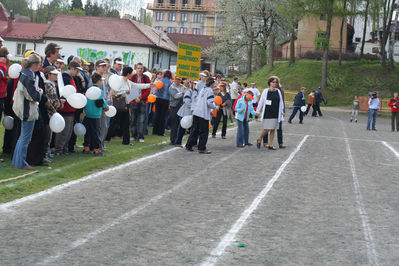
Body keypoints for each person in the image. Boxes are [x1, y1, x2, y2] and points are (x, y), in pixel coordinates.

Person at [11, 53, 43, 169]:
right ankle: (21, 163)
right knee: (25, 138)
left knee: (22, 137)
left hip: (24, 109)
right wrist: (40, 92)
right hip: (27, 110)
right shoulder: (28, 76)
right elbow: (33, 96)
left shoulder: (25, 74)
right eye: (39, 64)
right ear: (34, 64)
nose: (40, 66)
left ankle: (16, 161)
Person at [185, 77, 217, 154]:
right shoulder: (210, 91)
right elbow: (209, 103)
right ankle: (202, 147)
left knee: (194, 130)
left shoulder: (203, 89)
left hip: (196, 112)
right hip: (203, 113)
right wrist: (215, 107)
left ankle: (189, 145)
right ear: (212, 83)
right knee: (204, 131)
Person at [54, 61, 80, 155]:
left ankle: (64, 149)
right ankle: (59, 149)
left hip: (70, 108)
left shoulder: (70, 78)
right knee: (63, 132)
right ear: (72, 68)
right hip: (65, 108)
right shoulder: (65, 78)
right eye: (77, 70)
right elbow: (63, 93)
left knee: (68, 132)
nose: (78, 73)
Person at [83, 73, 109, 156]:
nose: (101, 82)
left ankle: (86, 147)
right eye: (101, 80)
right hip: (95, 114)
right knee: (96, 133)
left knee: (88, 132)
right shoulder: (99, 91)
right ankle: (96, 149)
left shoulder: (88, 90)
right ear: (98, 81)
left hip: (87, 114)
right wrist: (106, 106)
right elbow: (100, 102)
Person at [256, 77, 285, 150]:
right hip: (267, 112)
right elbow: (261, 101)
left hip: (276, 112)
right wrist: (257, 111)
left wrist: (282, 111)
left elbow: (281, 102)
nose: (274, 83)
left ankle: (271, 145)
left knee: (273, 129)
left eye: (276, 82)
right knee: (267, 129)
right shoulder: (265, 91)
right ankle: (259, 139)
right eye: (273, 82)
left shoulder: (278, 91)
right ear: (269, 83)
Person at [43, 66, 63, 161]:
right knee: (46, 135)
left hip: (51, 113)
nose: (56, 76)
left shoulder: (51, 85)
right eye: (54, 74)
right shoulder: (48, 85)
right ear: (48, 75)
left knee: (49, 134)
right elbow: (50, 101)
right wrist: (58, 103)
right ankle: (44, 153)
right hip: (48, 113)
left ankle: (46, 152)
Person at [108, 66, 133, 145]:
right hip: (119, 105)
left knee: (125, 123)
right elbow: (115, 92)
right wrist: (124, 91)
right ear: (128, 73)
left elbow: (136, 86)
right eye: (131, 73)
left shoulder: (128, 82)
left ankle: (126, 141)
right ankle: (107, 137)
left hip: (125, 105)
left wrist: (149, 85)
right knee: (115, 123)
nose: (132, 74)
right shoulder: (119, 80)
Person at [129, 62, 151, 142]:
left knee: (141, 120)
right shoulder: (132, 77)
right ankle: (133, 135)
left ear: (143, 69)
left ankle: (140, 136)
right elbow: (130, 88)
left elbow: (148, 89)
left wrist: (141, 97)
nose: (140, 70)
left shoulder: (146, 78)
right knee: (133, 119)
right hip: (134, 101)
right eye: (138, 68)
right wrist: (135, 98)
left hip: (143, 101)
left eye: (141, 68)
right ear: (136, 69)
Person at [153, 70, 172, 136]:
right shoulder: (170, 83)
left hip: (158, 99)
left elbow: (155, 90)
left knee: (157, 114)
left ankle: (155, 130)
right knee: (163, 116)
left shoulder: (160, 81)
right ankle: (160, 132)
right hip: (166, 100)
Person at [169, 76, 186, 145]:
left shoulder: (183, 86)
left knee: (180, 124)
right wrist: (183, 93)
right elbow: (176, 96)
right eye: (176, 79)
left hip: (181, 106)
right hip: (174, 106)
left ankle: (178, 139)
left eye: (178, 79)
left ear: (180, 80)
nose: (177, 80)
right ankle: (173, 139)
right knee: (174, 124)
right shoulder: (171, 87)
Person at [175, 81, 193, 147]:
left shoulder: (196, 92)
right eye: (194, 84)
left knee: (192, 129)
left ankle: (191, 143)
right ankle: (178, 142)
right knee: (182, 128)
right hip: (185, 112)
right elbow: (187, 101)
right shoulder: (189, 91)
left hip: (191, 113)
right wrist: (195, 107)